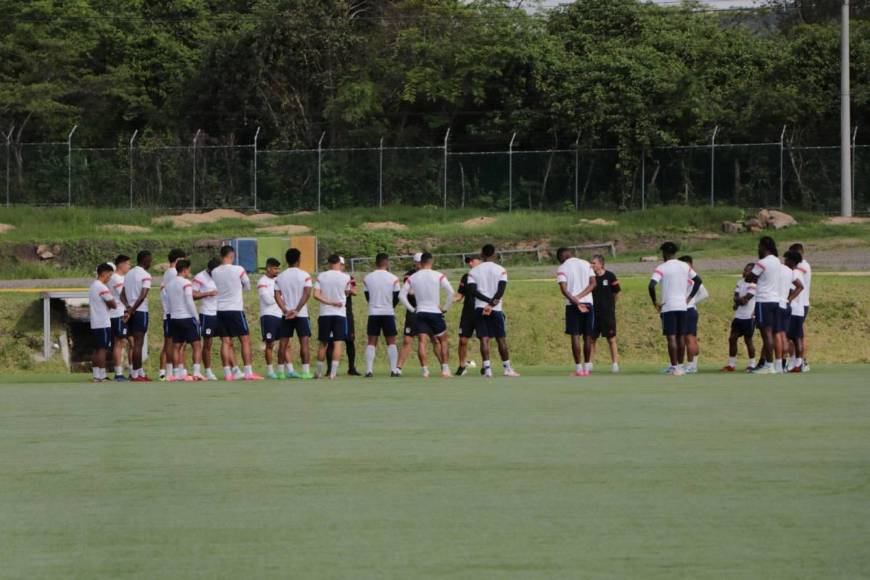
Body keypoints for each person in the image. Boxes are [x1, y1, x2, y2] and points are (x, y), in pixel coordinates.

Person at [649, 242, 702, 376]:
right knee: (680, 336)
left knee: (671, 337)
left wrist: (655, 302)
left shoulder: (662, 267)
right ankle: (680, 366)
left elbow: (651, 285)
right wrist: (689, 298)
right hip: (682, 306)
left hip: (668, 306)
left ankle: (674, 367)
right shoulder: (684, 266)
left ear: (664, 253)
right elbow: (698, 281)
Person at [467, 244, 520, 378]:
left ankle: (487, 370)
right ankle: (507, 369)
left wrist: (486, 303)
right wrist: (491, 304)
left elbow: (472, 291)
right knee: (500, 338)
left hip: (480, 308)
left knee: (484, 339)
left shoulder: (473, 271)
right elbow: (500, 291)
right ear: (494, 254)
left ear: (482, 254)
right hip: (496, 308)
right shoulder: (501, 270)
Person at [398, 252, 454, 378]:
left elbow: (401, 295)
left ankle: (425, 371)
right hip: (435, 312)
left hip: (420, 312)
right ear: (431, 262)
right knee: (443, 340)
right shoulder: (438, 275)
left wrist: (412, 309)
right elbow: (451, 292)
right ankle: (445, 369)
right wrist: (445, 308)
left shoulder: (413, 277)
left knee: (422, 341)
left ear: (420, 262)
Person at [212, 245, 262, 381]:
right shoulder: (238, 269)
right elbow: (247, 285)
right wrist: (238, 288)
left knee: (225, 342)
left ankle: (228, 374)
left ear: (221, 256)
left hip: (220, 309)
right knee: (245, 340)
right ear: (232, 256)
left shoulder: (215, 271)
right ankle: (248, 372)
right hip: (235, 309)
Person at [274, 248, 314, 379]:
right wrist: (297, 310)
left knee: (283, 343)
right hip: (301, 314)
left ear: (287, 260)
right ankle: (305, 372)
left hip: (286, 315)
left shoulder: (280, 277)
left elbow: (276, 295)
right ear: (299, 260)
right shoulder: (305, 275)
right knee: (304, 342)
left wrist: (285, 310)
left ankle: (280, 373)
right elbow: (307, 294)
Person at [556, 248, 596, 376]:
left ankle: (579, 369)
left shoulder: (562, 268)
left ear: (562, 257)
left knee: (575, 336)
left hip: (572, 305)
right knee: (588, 336)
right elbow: (593, 284)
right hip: (588, 303)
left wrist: (575, 300)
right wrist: (580, 297)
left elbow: (564, 289)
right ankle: (587, 368)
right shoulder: (586, 263)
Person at [313, 254, 353, 379]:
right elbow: (347, 292)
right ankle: (333, 373)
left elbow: (316, 295)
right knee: (338, 343)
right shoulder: (346, 277)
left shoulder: (321, 276)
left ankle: (318, 372)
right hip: (340, 314)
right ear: (339, 263)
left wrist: (330, 302)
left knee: (323, 343)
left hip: (325, 313)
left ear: (329, 263)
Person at [749, 236, 784, 374]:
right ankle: (771, 364)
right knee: (771, 333)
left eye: (759, 246)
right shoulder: (777, 261)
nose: (758, 249)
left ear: (764, 247)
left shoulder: (762, 262)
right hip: (775, 300)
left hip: (763, 301)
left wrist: (753, 275)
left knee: (766, 334)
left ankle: (769, 366)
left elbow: (750, 277)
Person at [362, 253, 401, 377]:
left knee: (371, 341)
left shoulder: (367, 278)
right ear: (387, 263)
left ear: (376, 263)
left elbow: (367, 296)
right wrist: (390, 306)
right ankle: (394, 370)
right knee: (391, 341)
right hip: (388, 312)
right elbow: (397, 297)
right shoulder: (393, 278)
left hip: (373, 313)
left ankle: (369, 370)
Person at [166, 259, 205, 381]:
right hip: (187, 317)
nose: (189, 272)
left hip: (174, 318)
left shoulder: (169, 284)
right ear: (184, 270)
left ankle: (176, 373)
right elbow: (189, 300)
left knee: (176, 346)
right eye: (188, 270)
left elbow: (169, 301)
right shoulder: (186, 283)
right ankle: (196, 372)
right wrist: (196, 317)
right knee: (197, 345)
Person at [121, 250, 153, 381]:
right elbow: (143, 295)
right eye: (150, 260)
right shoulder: (145, 275)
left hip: (130, 311)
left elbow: (122, 295)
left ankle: (140, 372)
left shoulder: (128, 274)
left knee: (134, 344)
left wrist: (128, 308)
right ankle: (135, 374)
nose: (151, 263)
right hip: (140, 311)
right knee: (138, 344)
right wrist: (133, 310)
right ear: (145, 260)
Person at [721, 263, 757, 372]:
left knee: (748, 340)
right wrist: (739, 301)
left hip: (749, 316)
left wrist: (738, 301)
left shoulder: (754, 285)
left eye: (747, 270)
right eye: (744, 270)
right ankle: (731, 364)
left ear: (753, 273)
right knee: (732, 338)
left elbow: (746, 299)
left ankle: (752, 364)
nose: (744, 272)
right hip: (738, 316)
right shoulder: (740, 282)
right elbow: (736, 297)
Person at [159, 249, 187, 381]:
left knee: (174, 344)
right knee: (171, 344)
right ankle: (167, 372)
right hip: (172, 313)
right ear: (178, 259)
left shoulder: (169, 273)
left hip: (172, 312)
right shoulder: (173, 273)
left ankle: (171, 371)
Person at [590, 254, 620, 374]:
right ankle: (589, 364)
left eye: (594, 263)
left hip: (607, 314)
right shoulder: (590, 277)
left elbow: (616, 293)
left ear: (601, 264)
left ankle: (615, 364)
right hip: (593, 314)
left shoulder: (610, 276)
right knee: (591, 339)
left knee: (611, 339)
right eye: (591, 263)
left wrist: (610, 306)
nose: (591, 265)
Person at [192, 258, 221, 380]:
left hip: (221, 311)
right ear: (209, 269)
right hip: (207, 313)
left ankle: (231, 370)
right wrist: (208, 293)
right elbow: (193, 294)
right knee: (207, 343)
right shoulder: (200, 277)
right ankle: (208, 371)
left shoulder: (221, 275)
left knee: (227, 341)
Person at [679, 255, 709, 374]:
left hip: (687, 310)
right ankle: (693, 365)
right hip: (690, 310)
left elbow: (705, 294)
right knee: (691, 339)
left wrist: (690, 302)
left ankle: (691, 365)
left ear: (691, 265)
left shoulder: (689, 278)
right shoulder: (690, 277)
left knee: (689, 339)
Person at [89, 263, 118, 383]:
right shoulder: (102, 287)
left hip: (95, 322)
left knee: (96, 349)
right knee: (102, 349)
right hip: (103, 322)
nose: (109, 278)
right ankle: (102, 375)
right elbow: (114, 304)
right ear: (104, 273)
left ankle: (96, 374)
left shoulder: (93, 286)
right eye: (109, 275)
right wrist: (110, 303)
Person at [454, 255, 481, 377]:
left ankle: (486, 366)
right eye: (469, 261)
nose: (470, 263)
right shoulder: (466, 277)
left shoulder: (484, 276)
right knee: (463, 340)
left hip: (481, 311)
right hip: (468, 313)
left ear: (479, 261)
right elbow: (460, 295)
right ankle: (462, 366)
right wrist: (450, 300)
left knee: (484, 339)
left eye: (472, 260)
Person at [396, 252, 423, 374]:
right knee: (407, 340)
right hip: (413, 310)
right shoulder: (409, 275)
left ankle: (443, 367)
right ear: (415, 263)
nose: (420, 265)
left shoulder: (430, 274)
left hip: (427, 309)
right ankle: (398, 368)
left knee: (433, 339)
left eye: (422, 262)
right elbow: (410, 292)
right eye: (418, 262)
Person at [258, 258, 283, 379]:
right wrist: (279, 295)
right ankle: (270, 371)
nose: (277, 271)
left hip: (281, 315)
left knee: (285, 344)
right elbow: (268, 300)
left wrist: (279, 295)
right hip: (268, 316)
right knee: (270, 344)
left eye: (278, 268)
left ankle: (286, 370)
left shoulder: (279, 281)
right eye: (275, 268)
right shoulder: (262, 281)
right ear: (268, 268)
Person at [108, 255, 132, 381]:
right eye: (128, 264)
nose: (129, 266)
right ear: (121, 264)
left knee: (129, 342)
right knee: (119, 342)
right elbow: (123, 295)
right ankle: (118, 373)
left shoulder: (123, 278)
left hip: (124, 312)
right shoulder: (115, 278)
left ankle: (133, 371)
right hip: (118, 314)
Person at [789, 243, 812, 372]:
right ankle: (797, 361)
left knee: (798, 336)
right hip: (800, 303)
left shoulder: (801, 267)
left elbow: (796, 285)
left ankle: (801, 361)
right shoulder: (801, 266)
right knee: (796, 335)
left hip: (800, 303)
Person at [784, 250, 807, 373]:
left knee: (795, 337)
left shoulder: (794, 273)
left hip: (795, 309)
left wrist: (788, 299)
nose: (784, 261)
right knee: (793, 337)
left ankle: (798, 363)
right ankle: (794, 363)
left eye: (786, 259)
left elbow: (798, 288)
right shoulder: (796, 272)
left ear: (791, 261)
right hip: (797, 309)